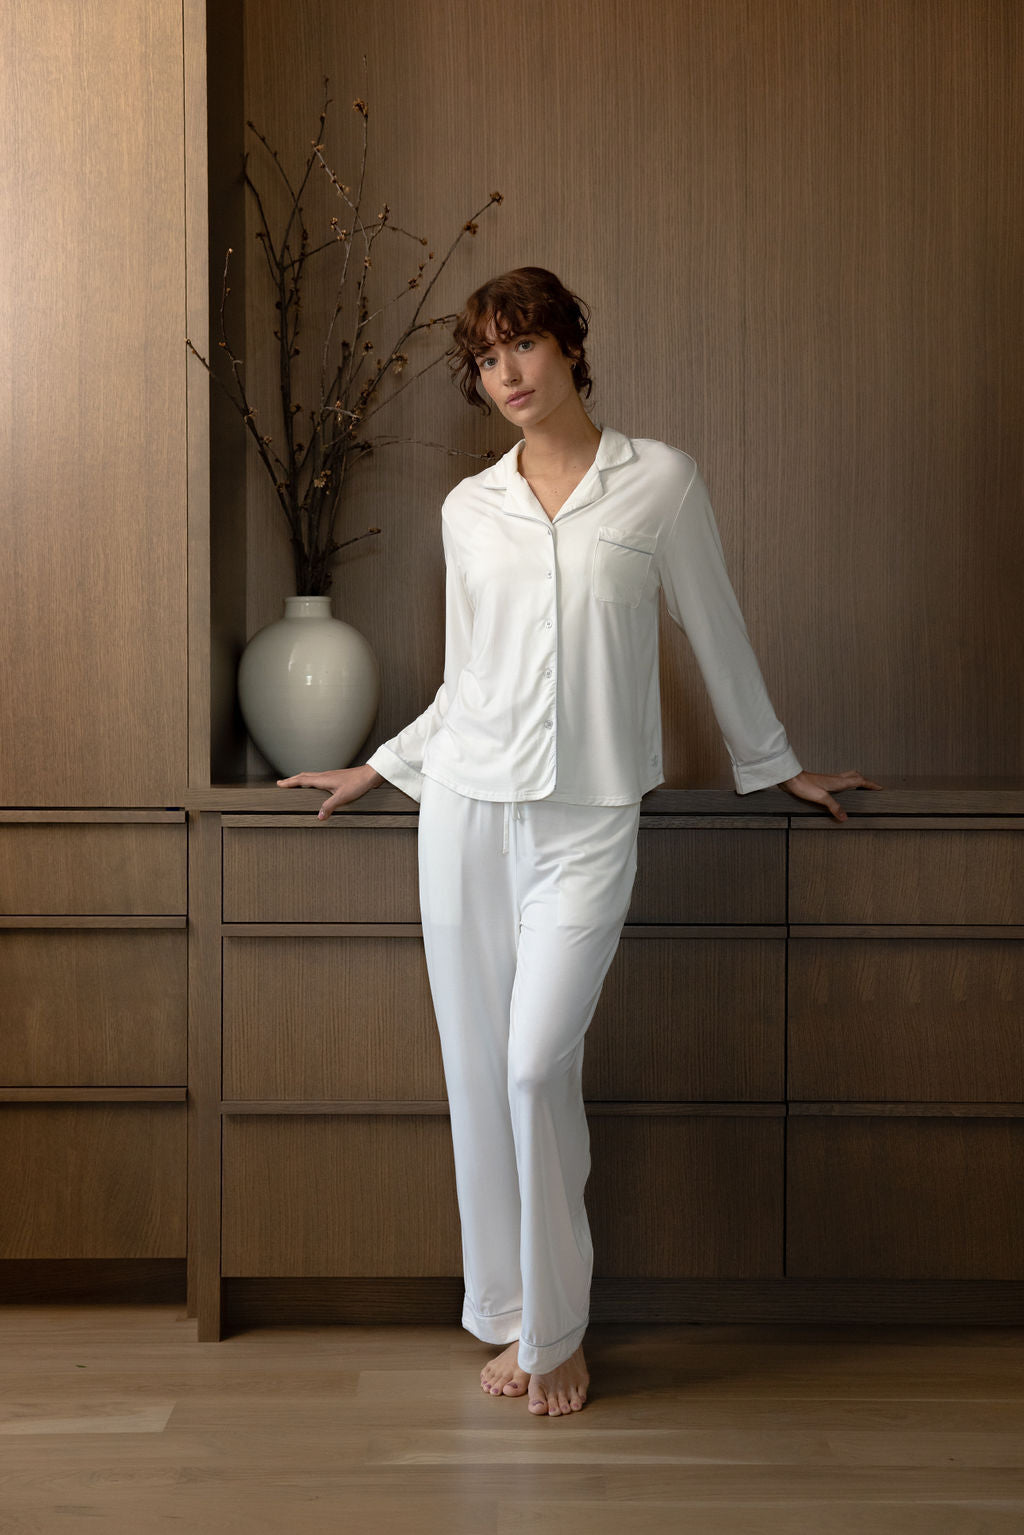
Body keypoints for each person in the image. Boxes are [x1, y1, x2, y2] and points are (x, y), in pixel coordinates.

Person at [277, 266, 882, 1417]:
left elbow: (714, 628)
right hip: (464, 811)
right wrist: (382, 763)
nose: (504, 374)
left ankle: (559, 1332)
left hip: (589, 819)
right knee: (476, 1073)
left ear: (568, 347)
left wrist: (775, 759)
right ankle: (509, 1312)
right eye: (486, 359)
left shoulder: (658, 484)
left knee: (534, 1061)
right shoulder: (469, 509)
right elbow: (466, 682)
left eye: (523, 347)